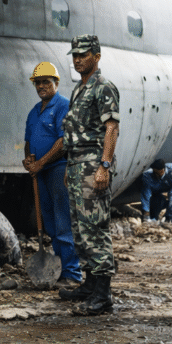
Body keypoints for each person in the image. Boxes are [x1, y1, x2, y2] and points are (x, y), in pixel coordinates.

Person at [59, 34, 120, 316]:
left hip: (94, 165)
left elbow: (111, 129)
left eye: (83, 54)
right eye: (74, 55)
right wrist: (70, 168)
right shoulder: (78, 89)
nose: (77, 59)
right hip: (76, 166)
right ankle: (90, 283)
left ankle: (103, 294)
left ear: (96, 55)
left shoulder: (103, 87)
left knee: (95, 227)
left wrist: (104, 166)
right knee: (80, 228)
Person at [22, 61, 83, 289]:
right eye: (38, 82)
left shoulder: (63, 106)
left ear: (56, 83)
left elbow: (63, 141)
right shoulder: (34, 112)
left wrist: (41, 163)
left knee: (63, 222)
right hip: (41, 172)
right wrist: (29, 159)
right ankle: (60, 269)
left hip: (59, 169)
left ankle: (72, 274)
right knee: (49, 223)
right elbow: (29, 141)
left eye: (46, 81)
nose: (41, 86)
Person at [140, 159, 172, 224]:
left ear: (162, 171)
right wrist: (146, 213)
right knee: (157, 200)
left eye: (156, 173)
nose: (153, 174)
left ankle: (169, 219)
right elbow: (146, 194)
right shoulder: (147, 176)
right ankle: (155, 216)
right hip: (158, 189)